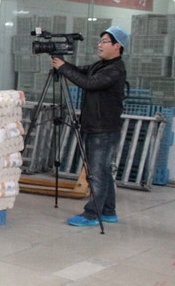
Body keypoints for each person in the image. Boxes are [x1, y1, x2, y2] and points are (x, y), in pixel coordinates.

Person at [52, 25, 128, 227]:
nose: (100, 45)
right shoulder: (100, 65)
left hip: (103, 129)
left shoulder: (115, 70)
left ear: (117, 46)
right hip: (95, 126)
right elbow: (81, 72)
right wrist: (63, 62)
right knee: (102, 170)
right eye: (100, 41)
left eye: (105, 41)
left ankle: (92, 214)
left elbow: (89, 83)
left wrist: (63, 67)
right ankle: (109, 211)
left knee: (96, 173)